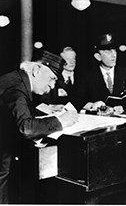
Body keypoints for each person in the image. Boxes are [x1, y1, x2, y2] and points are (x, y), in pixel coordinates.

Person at [0, 51, 79, 203]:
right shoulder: (17, 89)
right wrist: (60, 121)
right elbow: (26, 128)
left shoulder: (17, 79)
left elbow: (14, 111)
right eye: (51, 79)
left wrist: (44, 111)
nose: (52, 86)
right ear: (36, 70)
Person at [74, 33, 126, 114]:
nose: (113, 55)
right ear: (98, 57)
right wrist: (92, 105)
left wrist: (123, 107)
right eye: (108, 52)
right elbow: (76, 100)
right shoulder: (87, 75)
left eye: (114, 50)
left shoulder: (125, 73)